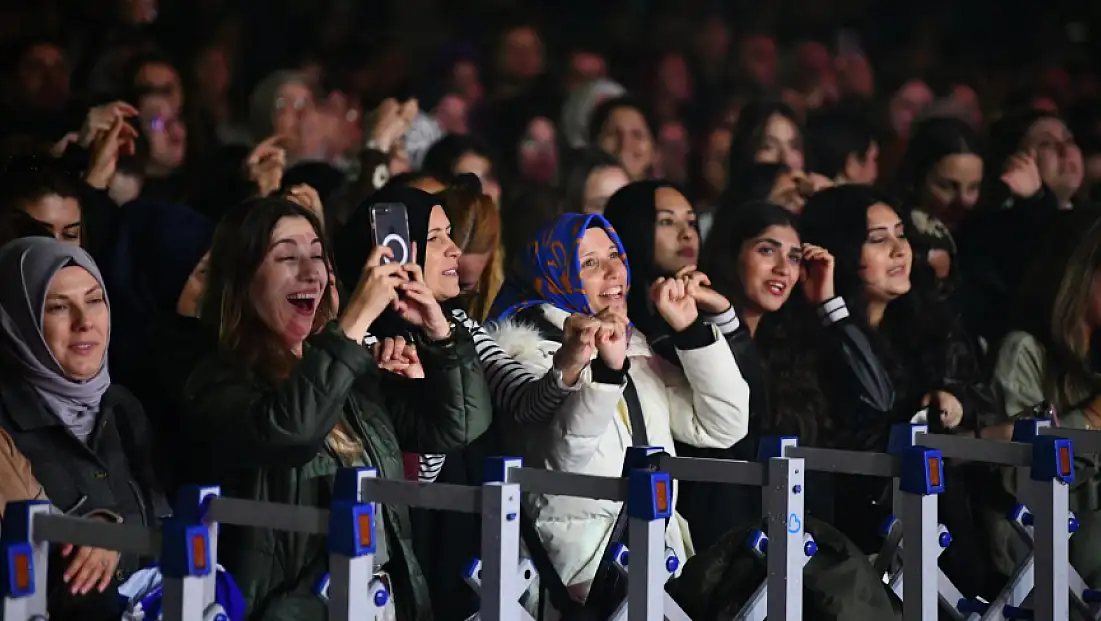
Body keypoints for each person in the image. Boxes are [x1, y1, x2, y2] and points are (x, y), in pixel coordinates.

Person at [178, 197, 494, 620]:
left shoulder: (350, 373)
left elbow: (462, 425)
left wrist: (439, 335)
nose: (311, 271)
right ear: (242, 279)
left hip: (383, 603)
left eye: (316, 255)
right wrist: (353, 325)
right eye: (287, 257)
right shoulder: (217, 380)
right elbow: (289, 433)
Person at [488, 212, 750, 614]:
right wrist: (605, 373)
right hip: (579, 574)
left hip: (656, 558)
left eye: (615, 255)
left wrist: (692, 330)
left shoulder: (634, 345)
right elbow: (565, 458)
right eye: (589, 263)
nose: (613, 270)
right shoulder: (531, 356)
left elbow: (724, 425)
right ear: (556, 276)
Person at [0, 237, 168, 621]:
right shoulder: (6, 426)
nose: (85, 322)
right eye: (58, 307)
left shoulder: (123, 406)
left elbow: (165, 528)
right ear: (15, 320)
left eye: (95, 300)